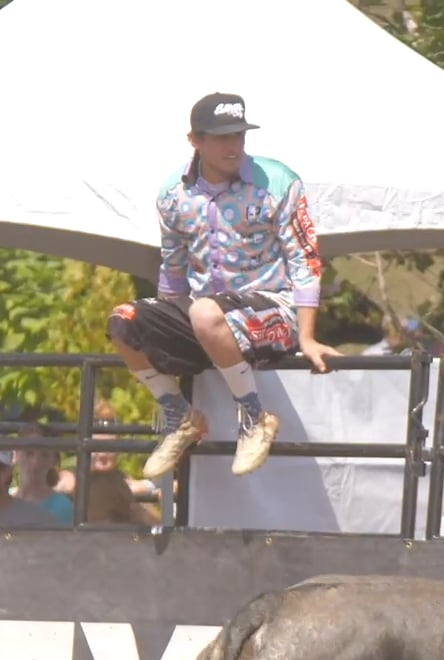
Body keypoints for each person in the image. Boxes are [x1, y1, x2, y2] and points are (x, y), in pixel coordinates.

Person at [107, 92, 336, 484]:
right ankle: (180, 416)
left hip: (269, 309)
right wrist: (165, 330)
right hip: (206, 316)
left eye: (239, 135)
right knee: (123, 320)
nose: (234, 146)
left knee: (205, 312)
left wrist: (308, 336)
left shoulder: (278, 182)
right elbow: (173, 268)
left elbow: (305, 258)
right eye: (221, 137)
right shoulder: (172, 195)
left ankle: (254, 418)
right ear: (194, 140)